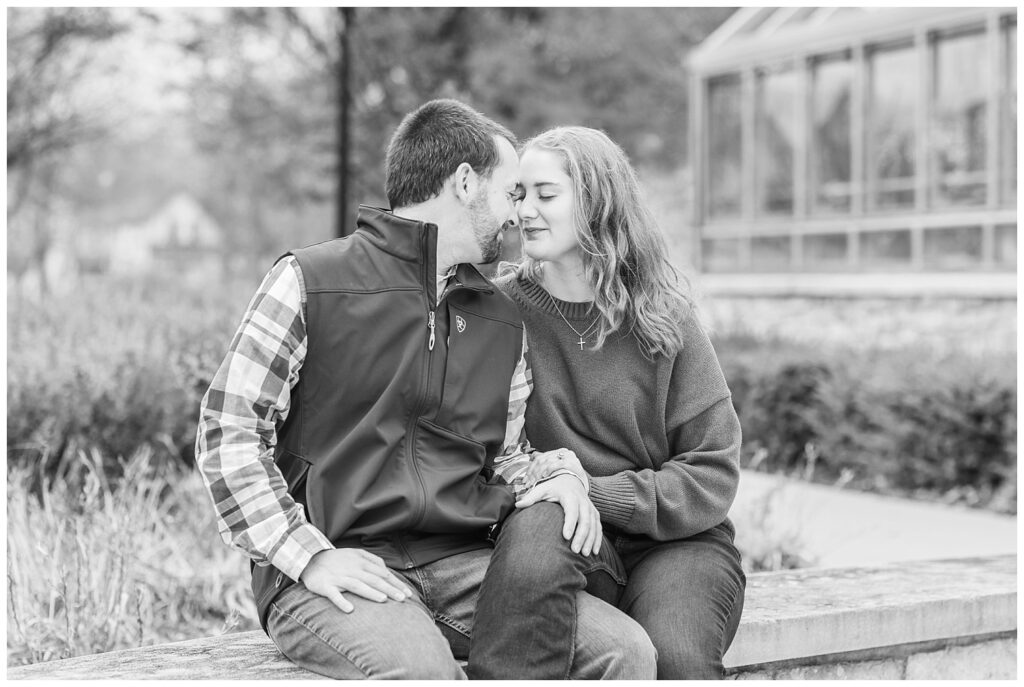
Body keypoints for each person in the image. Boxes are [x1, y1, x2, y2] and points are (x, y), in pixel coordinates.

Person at [194, 101, 656, 680]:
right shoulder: (310, 282)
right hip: (340, 565)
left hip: (468, 565)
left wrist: (558, 475)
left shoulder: (500, 317)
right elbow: (228, 432)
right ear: (465, 182)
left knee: (627, 651)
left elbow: (504, 458)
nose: (518, 214)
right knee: (425, 673)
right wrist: (305, 555)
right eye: (511, 192)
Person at [473, 126, 746, 679]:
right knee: (540, 529)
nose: (525, 211)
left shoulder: (663, 319)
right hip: (556, 534)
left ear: (596, 202)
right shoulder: (495, 312)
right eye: (519, 193)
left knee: (677, 657)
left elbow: (712, 469)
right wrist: (558, 492)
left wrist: (596, 492)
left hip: (676, 547)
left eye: (546, 195)